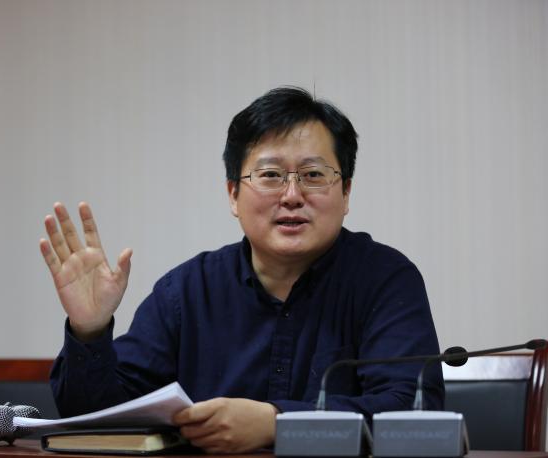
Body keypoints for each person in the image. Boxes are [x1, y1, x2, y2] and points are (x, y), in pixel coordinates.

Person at [40, 87, 444, 454]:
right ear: (233, 194)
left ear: (346, 192)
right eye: (270, 176)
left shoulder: (385, 280)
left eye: (313, 175)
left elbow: (413, 411)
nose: (292, 196)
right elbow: (97, 418)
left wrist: (276, 422)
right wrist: (89, 331)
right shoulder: (186, 292)